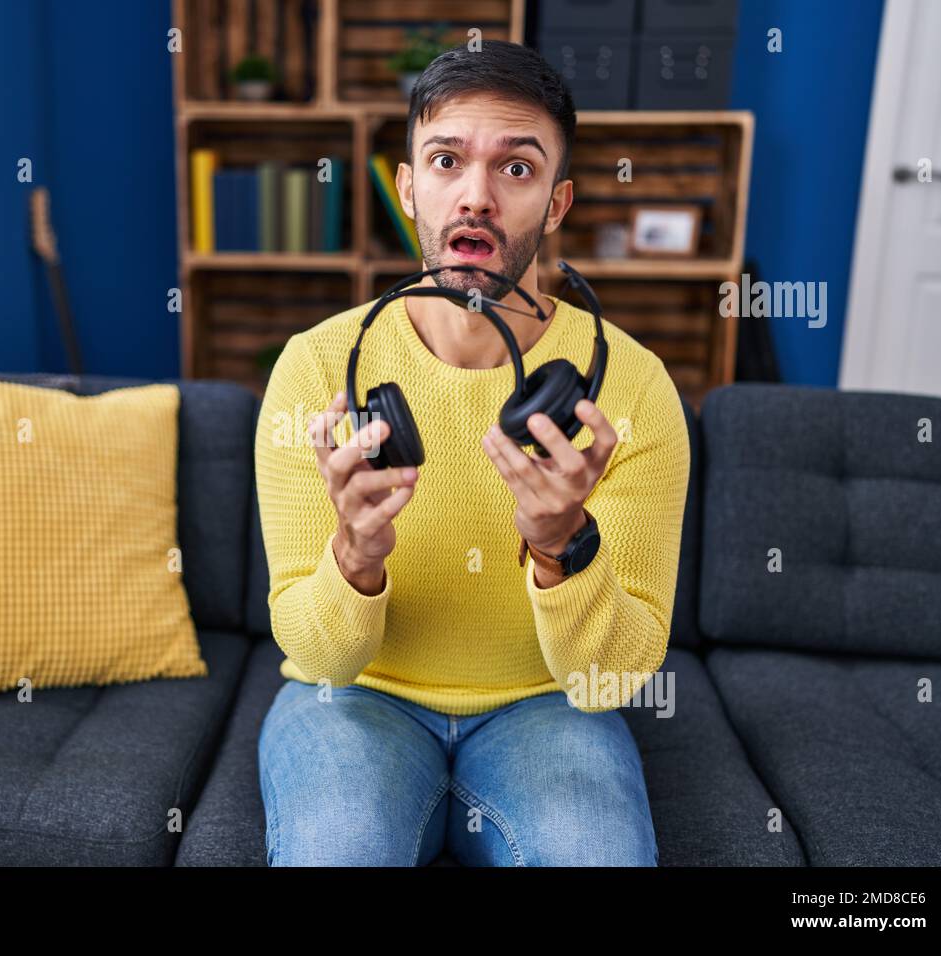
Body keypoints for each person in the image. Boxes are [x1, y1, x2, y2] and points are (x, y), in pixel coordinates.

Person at [253, 39, 690, 866]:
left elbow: (619, 675)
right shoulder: (317, 368)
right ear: (410, 187)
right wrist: (355, 554)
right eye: (447, 160)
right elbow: (314, 652)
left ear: (558, 203)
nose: (476, 198)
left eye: (516, 170)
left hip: (548, 705)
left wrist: (563, 546)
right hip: (355, 699)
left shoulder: (631, 388)